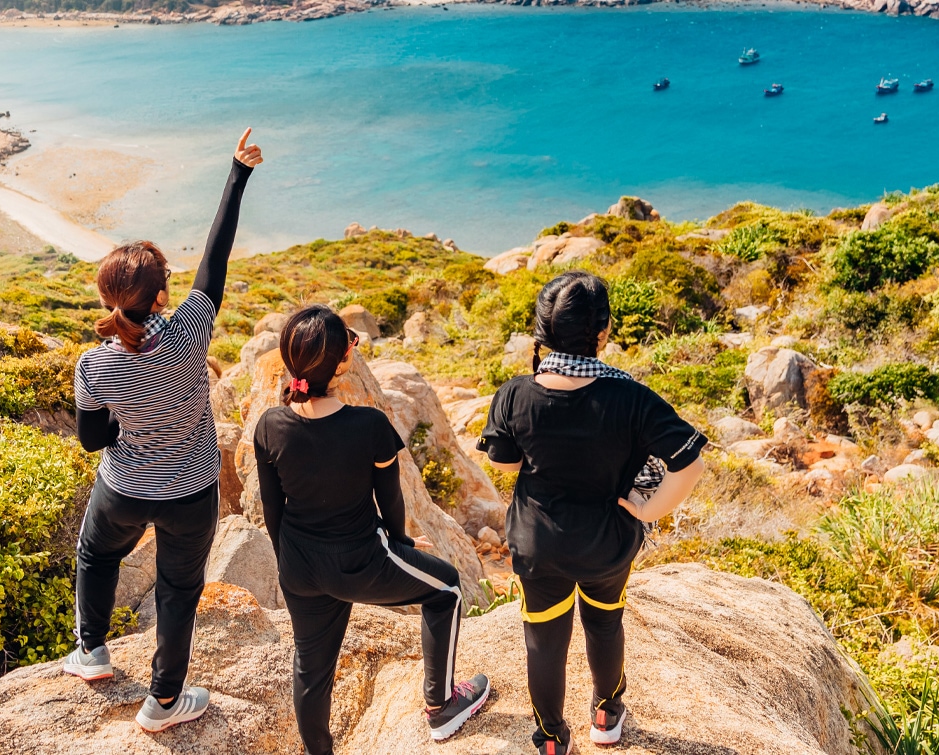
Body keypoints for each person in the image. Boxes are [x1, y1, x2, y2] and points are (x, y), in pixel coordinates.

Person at [62, 129, 263, 733]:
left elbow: (93, 441)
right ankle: (165, 702)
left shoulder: (93, 362)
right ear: (163, 294)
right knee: (178, 591)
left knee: (96, 554)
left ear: (106, 296)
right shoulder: (189, 330)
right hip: (190, 491)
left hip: (123, 487)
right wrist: (237, 172)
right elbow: (215, 261)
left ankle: (91, 652)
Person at [478, 271, 709, 755]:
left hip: (539, 544)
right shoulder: (631, 397)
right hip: (608, 541)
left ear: (541, 332)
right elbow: (689, 464)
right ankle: (606, 714)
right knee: (605, 623)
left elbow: (502, 460)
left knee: (544, 640)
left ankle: (550, 739)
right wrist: (648, 508)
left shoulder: (515, 394)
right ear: (602, 332)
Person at [253, 305, 491, 753]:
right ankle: (442, 706)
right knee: (448, 589)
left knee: (310, 667)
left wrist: (293, 564)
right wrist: (400, 544)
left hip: (300, 567)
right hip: (362, 561)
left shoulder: (270, 425)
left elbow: (272, 508)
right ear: (344, 363)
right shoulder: (369, 426)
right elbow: (391, 499)